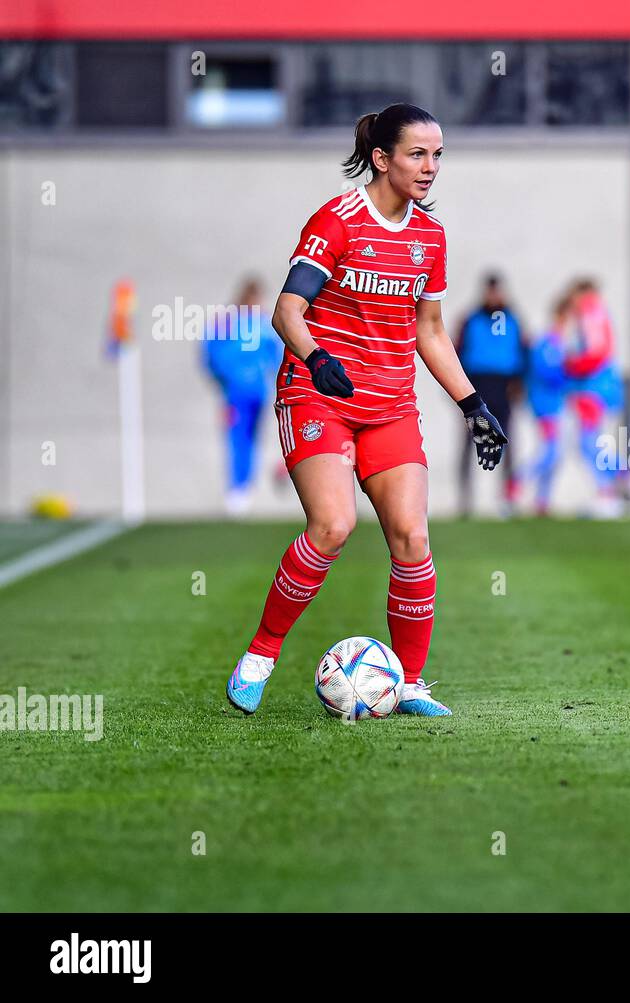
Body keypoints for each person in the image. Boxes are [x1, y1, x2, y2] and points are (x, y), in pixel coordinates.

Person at [225, 103, 507, 717]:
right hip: (318, 394)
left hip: (389, 406)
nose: (430, 167)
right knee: (333, 526)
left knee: (411, 536)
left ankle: (409, 684)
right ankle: (261, 654)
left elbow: (429, 332)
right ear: (382, 158)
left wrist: (471, 404)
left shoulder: (429, 238)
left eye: (437, 155)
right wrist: (317, 358)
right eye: (417, 154)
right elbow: (286, 311)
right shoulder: (338, 220)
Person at [202, 277, 281, 515]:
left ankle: (245, 488)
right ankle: (237, 490)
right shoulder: (226, 322)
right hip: (235, 393)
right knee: (237, 439)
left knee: (253, 438)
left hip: (259, 391)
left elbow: (276, 353)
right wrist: (224, 379)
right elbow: (211, 353)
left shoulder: (265, 322)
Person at [454, 273, 526, 516]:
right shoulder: (470, 320)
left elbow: (523, 354)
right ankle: (465, 500)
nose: (494, 296)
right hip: (476, 388)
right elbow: (455, 355)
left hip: (503, 387)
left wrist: (518, 385)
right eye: (490, 291)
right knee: (469, 442)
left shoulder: (513, 320)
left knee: (506, 440)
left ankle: (507, 499)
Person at [563, 279, 625, 519]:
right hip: (596, 385)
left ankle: (611, 487)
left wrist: (571, 365)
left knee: (588, 441)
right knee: (590, 441)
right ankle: (616, 479)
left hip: (594, 387)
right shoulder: (595, 312)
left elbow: (596, 353)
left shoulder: (591, 312)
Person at [509, 296, 570, 516]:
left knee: (555, 454)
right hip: (545, 404)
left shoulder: (558, 344)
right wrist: (571, 373)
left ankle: (542, 501)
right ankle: (517, 481)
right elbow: (546, 373)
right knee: (550, 452)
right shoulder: (546, 344)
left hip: (554, 403)